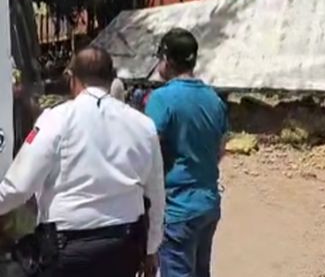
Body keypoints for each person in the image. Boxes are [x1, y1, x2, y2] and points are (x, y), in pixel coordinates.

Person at [0, 46, 165, 277]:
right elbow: (156, 194)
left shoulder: (55, 120)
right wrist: (151, 250)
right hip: (123, 248)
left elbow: (18, 187)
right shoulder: (143, 125)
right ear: (112, 78)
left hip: (67, 252)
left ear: (72, 79)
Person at [145, 28, 228, 277]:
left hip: (177, 209)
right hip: (208, 205)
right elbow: (220, 149)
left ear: (167, 59)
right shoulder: (214, 99)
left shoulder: (161, 98)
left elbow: (148, 152)